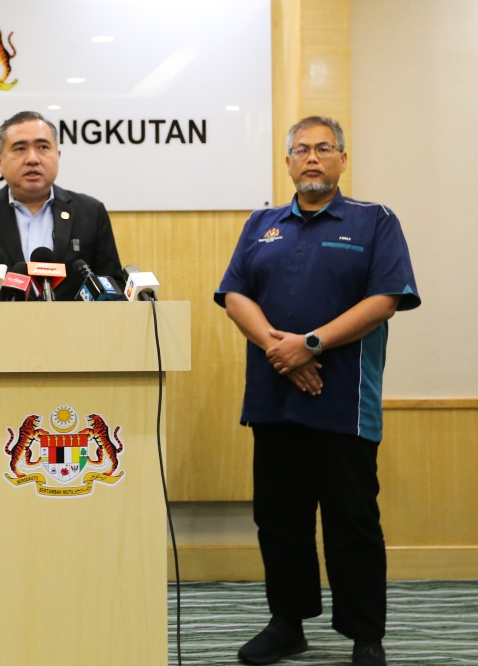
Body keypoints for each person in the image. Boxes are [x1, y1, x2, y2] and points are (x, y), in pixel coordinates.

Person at [215, 116, 420, 666]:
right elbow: (235, 294)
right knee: (279, 520)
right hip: (273, 399)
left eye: (324, 148)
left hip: (343, 400)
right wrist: (282, 353)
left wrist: (309, 344)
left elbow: (386, 299)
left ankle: (365, 634)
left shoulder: (374, 221)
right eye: (300, 149)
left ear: (342, 160)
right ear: (287, 162)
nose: (312, 157)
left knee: (351, 520)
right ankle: (288, 624)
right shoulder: (262, 223)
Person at [0, 110, 121, 301]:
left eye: (42, 147)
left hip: (75, 329)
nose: (33, 159)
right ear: (0, 162)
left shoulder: (90, 213)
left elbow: (113, 287)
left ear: (57, 155)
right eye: (20, 149)